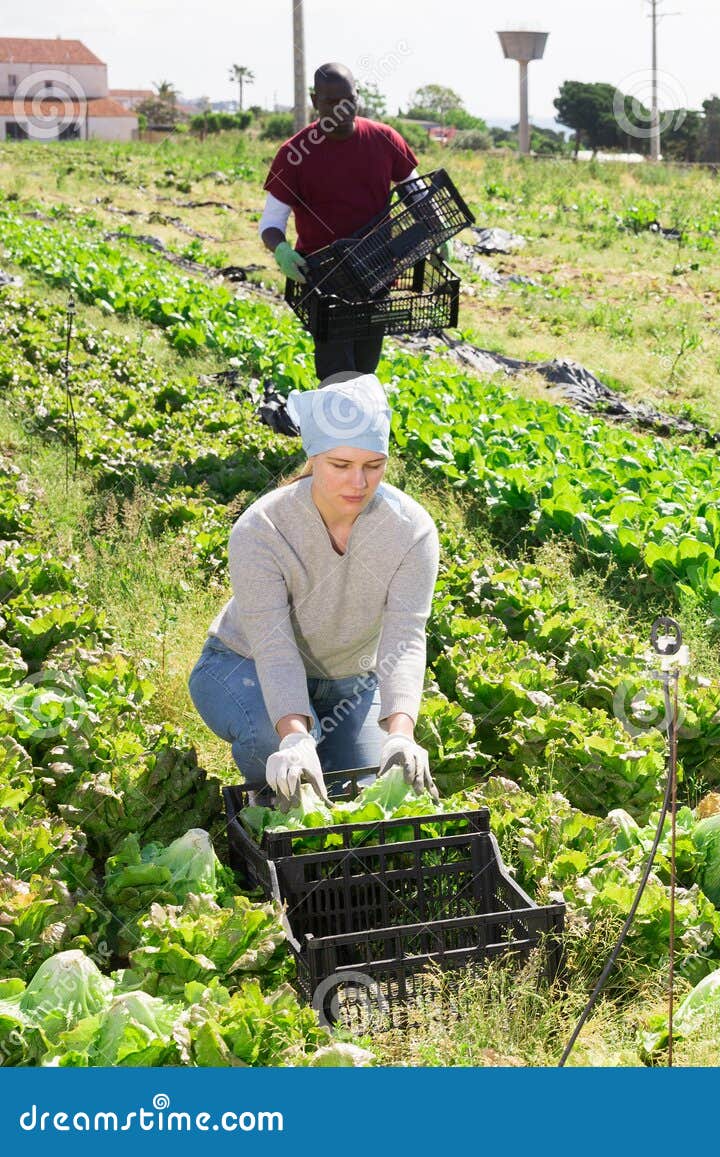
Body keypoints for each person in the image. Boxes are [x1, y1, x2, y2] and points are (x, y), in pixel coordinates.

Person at [188, 372, 440, 803]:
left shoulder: (411, 530)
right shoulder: (263, 527)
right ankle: (270, 819)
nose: (358, 483)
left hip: (350, 683)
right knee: (283, 756)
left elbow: (406, 635)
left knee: (368, 791)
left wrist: (401, 732)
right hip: (241, 665)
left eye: (373, 466)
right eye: (340, 465)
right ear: (314, 457)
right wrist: (294, 736)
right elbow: (273, 645)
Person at [259, 62, 437, 380]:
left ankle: (356, 426)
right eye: (330, 101)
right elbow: (271, 223)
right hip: (324, 279)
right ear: (315, 101)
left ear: (357, 97)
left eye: (347, 99)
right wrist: (282, 251)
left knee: (365, 368)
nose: (340, 108)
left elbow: (417, 194)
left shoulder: (384, 140)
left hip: (376, 273)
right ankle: (338, 426)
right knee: (338, 372)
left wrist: (434, 231)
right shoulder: (294, 154)